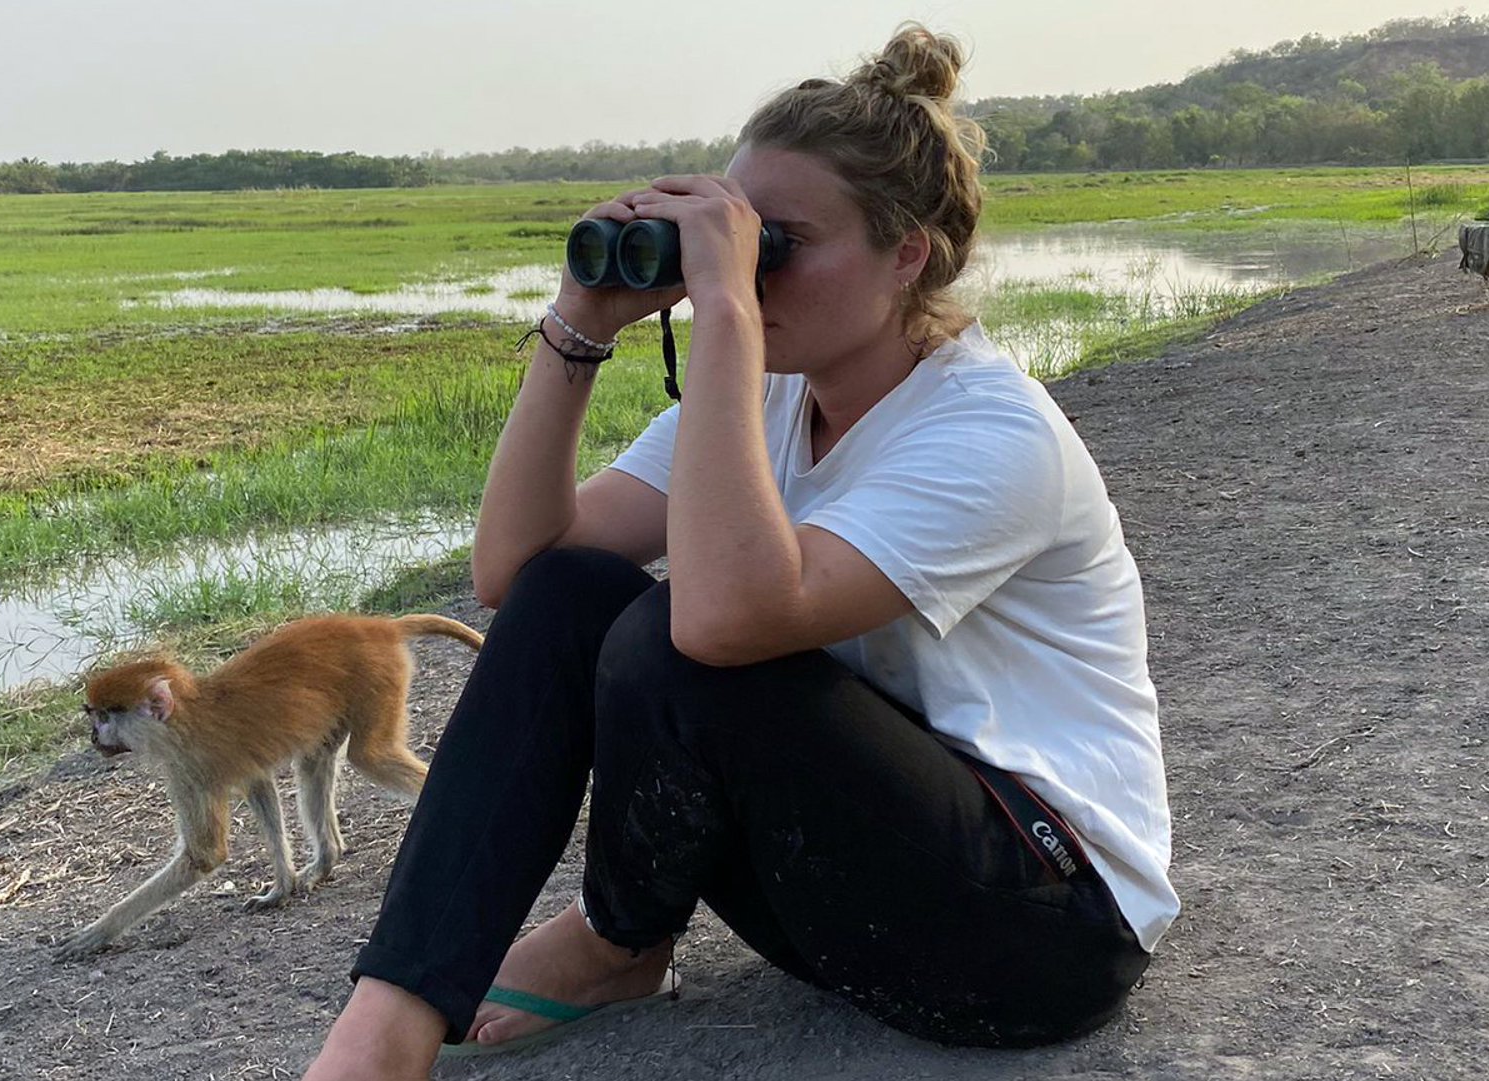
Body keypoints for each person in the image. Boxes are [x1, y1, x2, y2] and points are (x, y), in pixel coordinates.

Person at [303, 24, 1176, 1081]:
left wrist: (722, 311)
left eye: (778, 244)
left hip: (1042, 928)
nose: (750, 276)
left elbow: (721, 623)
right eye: (735, 236)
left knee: (677, 637)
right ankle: (390, 1021)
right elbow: (519, 570)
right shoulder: (767, 399)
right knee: (577, 589)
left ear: (907, 253)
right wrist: (580, 324)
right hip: (850, 890)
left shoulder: (991, 432)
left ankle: (610, 941)